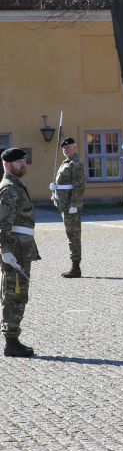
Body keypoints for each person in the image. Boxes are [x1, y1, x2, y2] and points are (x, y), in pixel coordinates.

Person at [0, 148, 38, 357]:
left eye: (24, 161)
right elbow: (3, 223)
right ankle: (11, 342)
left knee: (18, 292)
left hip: (21, 247)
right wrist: (5, 250)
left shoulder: (16, 185)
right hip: (14, 249)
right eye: (19, 162)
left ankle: (13, 338)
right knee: (14, 293)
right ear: (7, 164)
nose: (23, 165)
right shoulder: (9, 188)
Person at [51, 137, 86, 278]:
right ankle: (74, 266)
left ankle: (75, 267)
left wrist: (74, 204)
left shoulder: (76, 163)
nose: (65, 150)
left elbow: (79, 186)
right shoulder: (67, 162)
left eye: (68, 147)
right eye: (64, 148)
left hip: (70, 205)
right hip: (64, 204)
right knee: (70, 234)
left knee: (73, 235)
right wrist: (55, 189)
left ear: (75, 148)